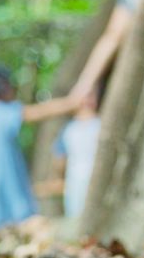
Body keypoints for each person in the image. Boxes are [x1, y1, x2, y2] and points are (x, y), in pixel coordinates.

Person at [0, 64, 78, 235]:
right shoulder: (5, 111)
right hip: (8, 175)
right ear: (2, 88)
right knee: (18, 218)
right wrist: (72, 102)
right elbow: (40, 111)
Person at [35, 84, 103, 220]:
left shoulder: (101, 125)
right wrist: (57, 178)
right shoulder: (68, 130)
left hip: (98, 180)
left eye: (92, 95)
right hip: (75, 182)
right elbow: (59, 159)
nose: (88, 100)